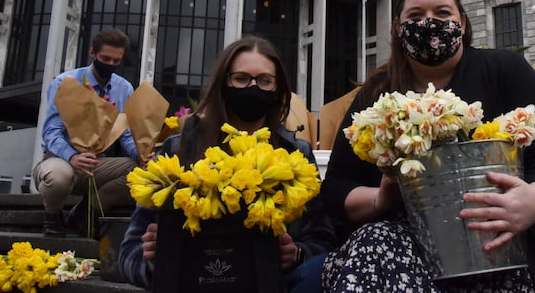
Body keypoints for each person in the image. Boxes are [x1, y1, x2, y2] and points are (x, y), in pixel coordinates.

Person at [320, 0, 535, 293]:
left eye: (442, 13)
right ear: (398, 29)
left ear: (462, 23)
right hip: (406, 252)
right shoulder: (375, 97)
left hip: (505, 237)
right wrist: (381, 199)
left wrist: (534, 199)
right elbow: (337, 187)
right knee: (374, 241)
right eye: (415, 15)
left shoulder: (505, 70)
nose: (429, 23)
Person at [118, 36, 337, 293]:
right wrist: (157, 260)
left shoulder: (296, 154)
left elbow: (324, 244)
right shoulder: (180, 149)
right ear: (224, 83)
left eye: (265, 81)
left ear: (278, 89)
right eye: (242, 79)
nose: (253, 87)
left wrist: (297, 254)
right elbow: (128, 256)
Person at [33, 27, 143, 237]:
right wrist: (72, 156)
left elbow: (126, 133)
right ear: (92, 53)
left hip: (97, 162)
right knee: (58, 176)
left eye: (116, 61)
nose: (110, 64)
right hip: (60, 159)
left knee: (138, 171)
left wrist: (141, 154)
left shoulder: (124, 88)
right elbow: (51, 131)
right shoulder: (65, 83)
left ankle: (86, 211)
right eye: (105, 58)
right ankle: (53, 215)